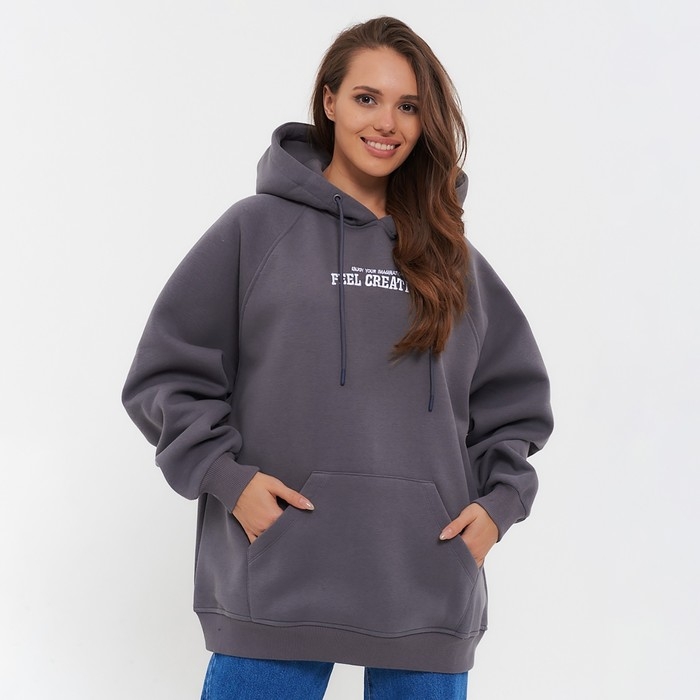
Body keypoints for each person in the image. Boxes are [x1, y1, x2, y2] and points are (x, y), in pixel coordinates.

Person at [122, 15, 553, 700]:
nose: (387, 123)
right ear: (328, 101)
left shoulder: (453, 261)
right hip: (277, 577)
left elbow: (515, 404)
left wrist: (499, 506)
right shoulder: (255, 231)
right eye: (366, 98)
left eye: (408, 106)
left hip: (427, 582)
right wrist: (229, 480)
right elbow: (166, 375)